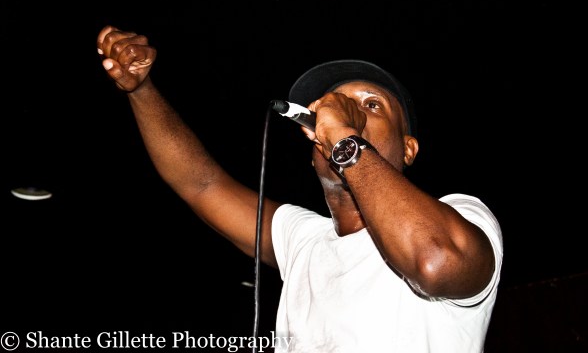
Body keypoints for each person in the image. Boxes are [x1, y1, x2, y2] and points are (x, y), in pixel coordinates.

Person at [97, 25, 503, 353]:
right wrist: (141, 91)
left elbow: (434, 260)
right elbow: (201, 184)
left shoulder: (462, 215)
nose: (344, 115)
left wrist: (343, 135)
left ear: (409, 148)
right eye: (333, 107)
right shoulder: (303, 239)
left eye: (371, 105)